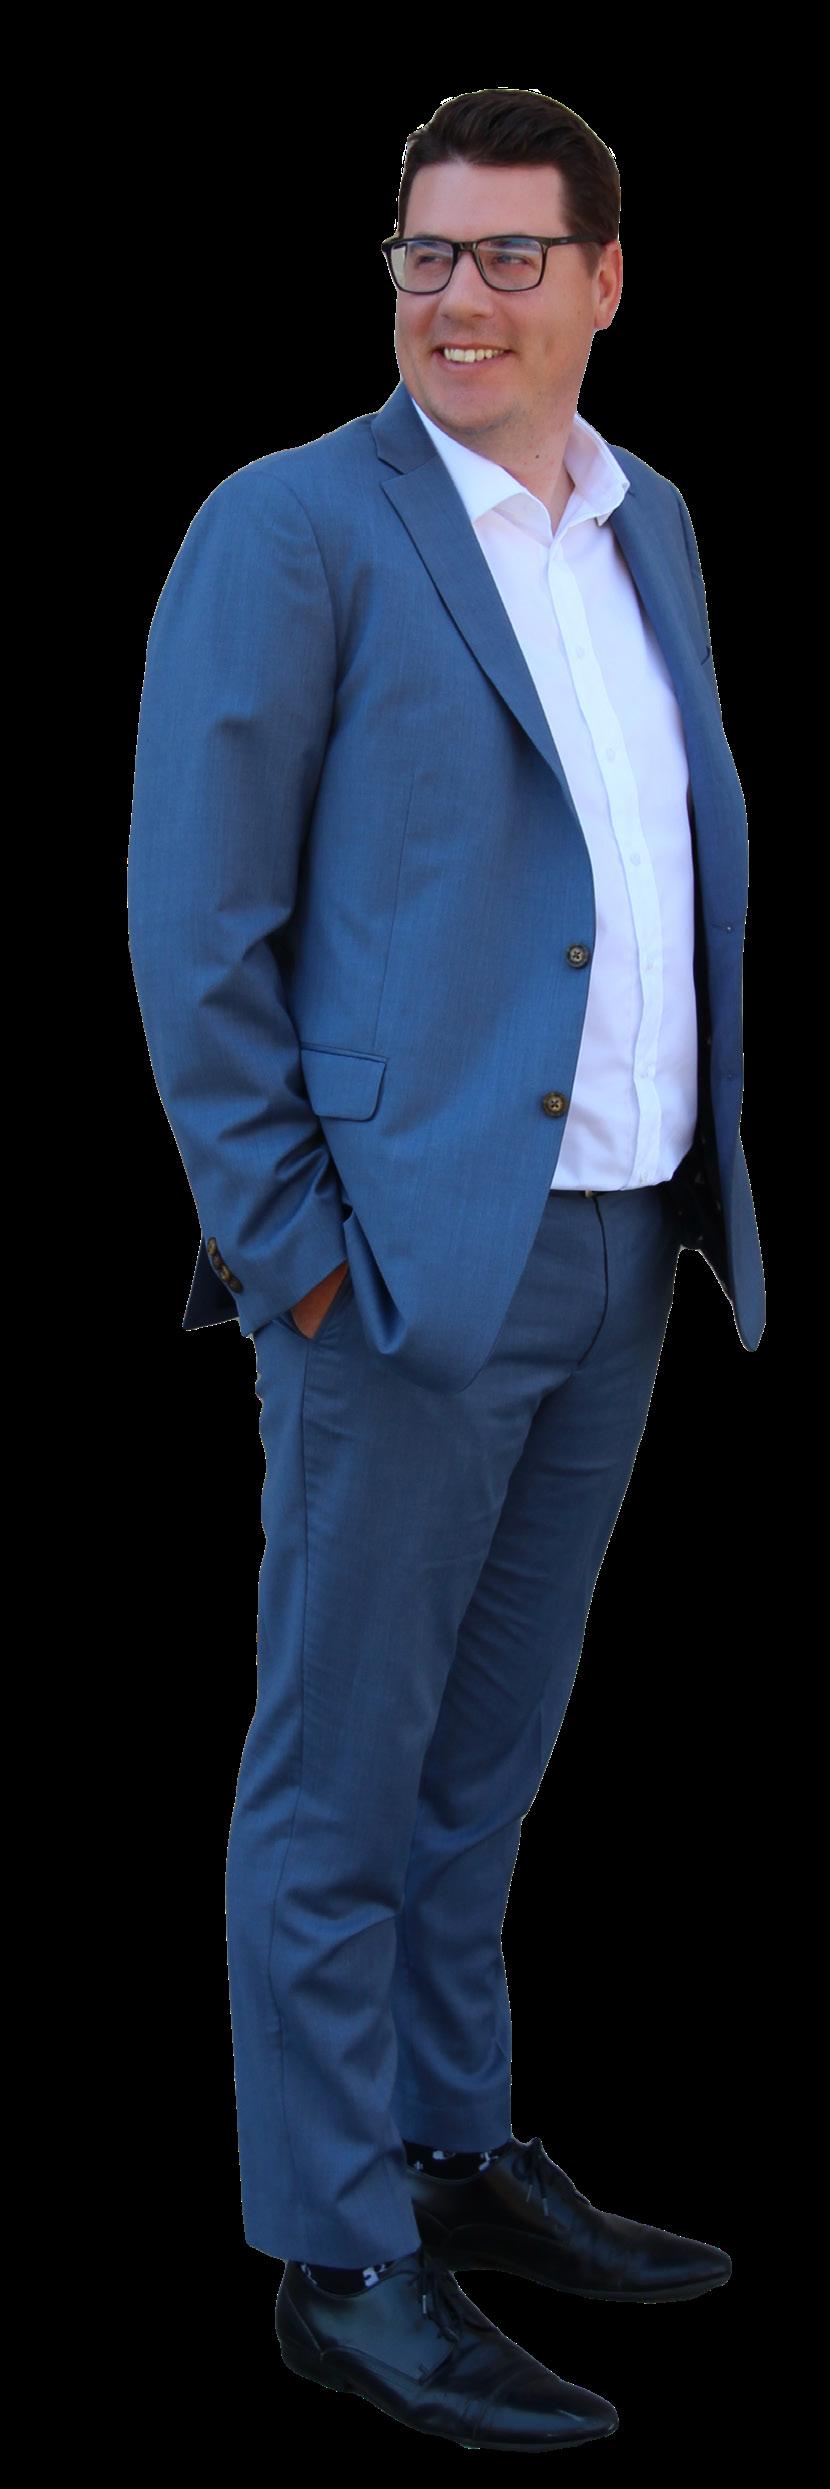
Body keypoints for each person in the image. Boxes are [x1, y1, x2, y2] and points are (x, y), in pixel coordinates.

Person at [127, 85, 763, 2454]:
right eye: (424, 254)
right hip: (395, 1276)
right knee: (340, 1771)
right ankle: (337, 2247)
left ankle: (452, 2142)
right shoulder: (293, 527)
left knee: (486, 1755)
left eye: (508, 256)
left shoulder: (644, 521)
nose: (458, 297)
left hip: (620, 1243)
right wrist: (294, 1254)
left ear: (605, 283)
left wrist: (681, 1184)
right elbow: (196, 922)